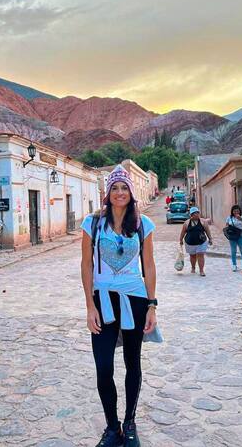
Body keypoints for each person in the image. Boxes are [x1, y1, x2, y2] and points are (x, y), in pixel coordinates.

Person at [81, 164, 157, 446]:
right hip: (103, 300)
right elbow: (86, 264)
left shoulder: (143, 224)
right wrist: (90, 305)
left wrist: (152, 305)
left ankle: (130, 422)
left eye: (125, 187)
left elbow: (148, 265)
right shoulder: (92, 223)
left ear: (132, 193)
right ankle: (112, 427)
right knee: (103, 366)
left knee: (132, 363)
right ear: (108, 192)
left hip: (135, 299)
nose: (120, 192)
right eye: (115, 187)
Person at [179, 206, 213, 276]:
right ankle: (193, 268)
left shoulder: (203, 222)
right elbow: (183, 232)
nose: (197, 214)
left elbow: (207, 231)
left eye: (197, 213)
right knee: (192, 256)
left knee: (200, 255)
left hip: (201, 242)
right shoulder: (187, 223)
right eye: (195, 213)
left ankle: (201, 271)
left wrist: (210, 239)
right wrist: (180, 240)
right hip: (190, 242)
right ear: (191, 215)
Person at [226, 204, 242, 272]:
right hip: (233, 236)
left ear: (239, 211)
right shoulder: (229, 218)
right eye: (234, 211)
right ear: (232, 211)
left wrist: (241, 219)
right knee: (233, 251)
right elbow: (226, 227)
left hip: (241, 235)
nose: (236, 212)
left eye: (237, 211)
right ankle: (234, 265)